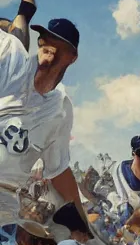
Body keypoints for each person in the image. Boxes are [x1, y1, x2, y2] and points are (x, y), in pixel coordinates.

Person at [0, 15, 81, 221]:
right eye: (45, 49)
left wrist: (82, 222)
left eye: (56, 52)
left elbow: (59, 170)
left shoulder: (60, 108)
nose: (47, 59)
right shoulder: (12, 61)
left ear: (72, 57)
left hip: (5, 203)